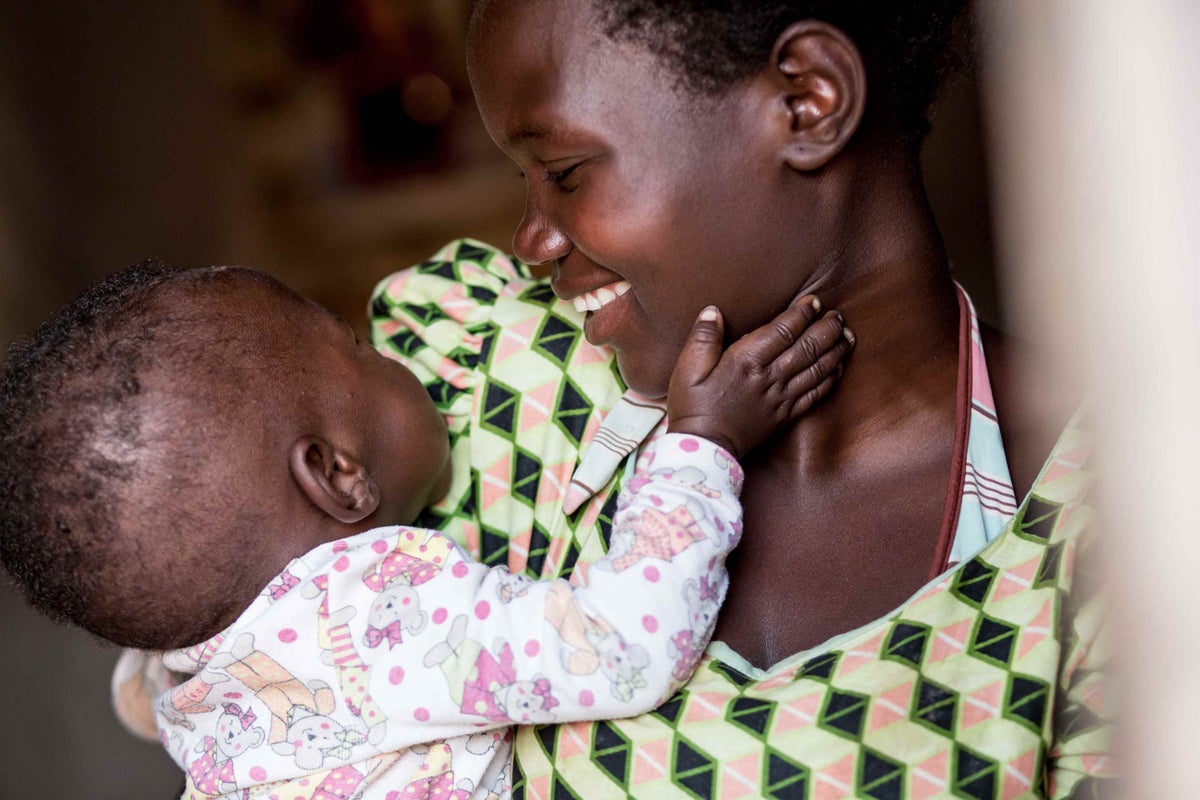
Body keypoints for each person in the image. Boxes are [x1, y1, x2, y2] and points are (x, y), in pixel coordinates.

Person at [365, 0, 1113, 796]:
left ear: (808, 101)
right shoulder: (490, 382)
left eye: (565, 173)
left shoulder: (1103, 540)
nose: (533, 240)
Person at [0, 260, 849, 798]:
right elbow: (623, 645)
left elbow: (140, 702)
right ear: (338, 474)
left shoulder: (182, 660)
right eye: (360, 351)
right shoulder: (376, 616)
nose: (396, 353)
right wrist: (703, 442)